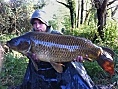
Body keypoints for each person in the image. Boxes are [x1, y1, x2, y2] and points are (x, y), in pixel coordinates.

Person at [10, 9, 99, 89]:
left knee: (74, 65)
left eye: (40, 23)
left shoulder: (56, 35)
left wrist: (79, 59)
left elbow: (72, 50)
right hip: (47, 65)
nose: (37, 26)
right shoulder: (30, 37)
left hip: (62, 63)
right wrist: (35, 60)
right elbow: (34, 61)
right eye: (34, 23)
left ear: (46, 24)